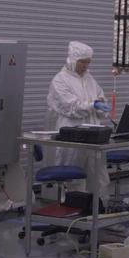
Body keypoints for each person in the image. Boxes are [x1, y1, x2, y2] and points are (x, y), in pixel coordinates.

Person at [46, 40, 111, 202]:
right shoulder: (60, 80)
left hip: (93, 134)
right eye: (82, 62)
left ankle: (101, 210)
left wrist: (100, 105)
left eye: (88, 62)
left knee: (99, 176)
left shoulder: (89, 79)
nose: (85, 66)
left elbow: (99, 96)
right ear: (73, 60)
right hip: (72, 133)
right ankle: (75, 212)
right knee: (74, 177)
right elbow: (71, 107)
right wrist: (93, 104)